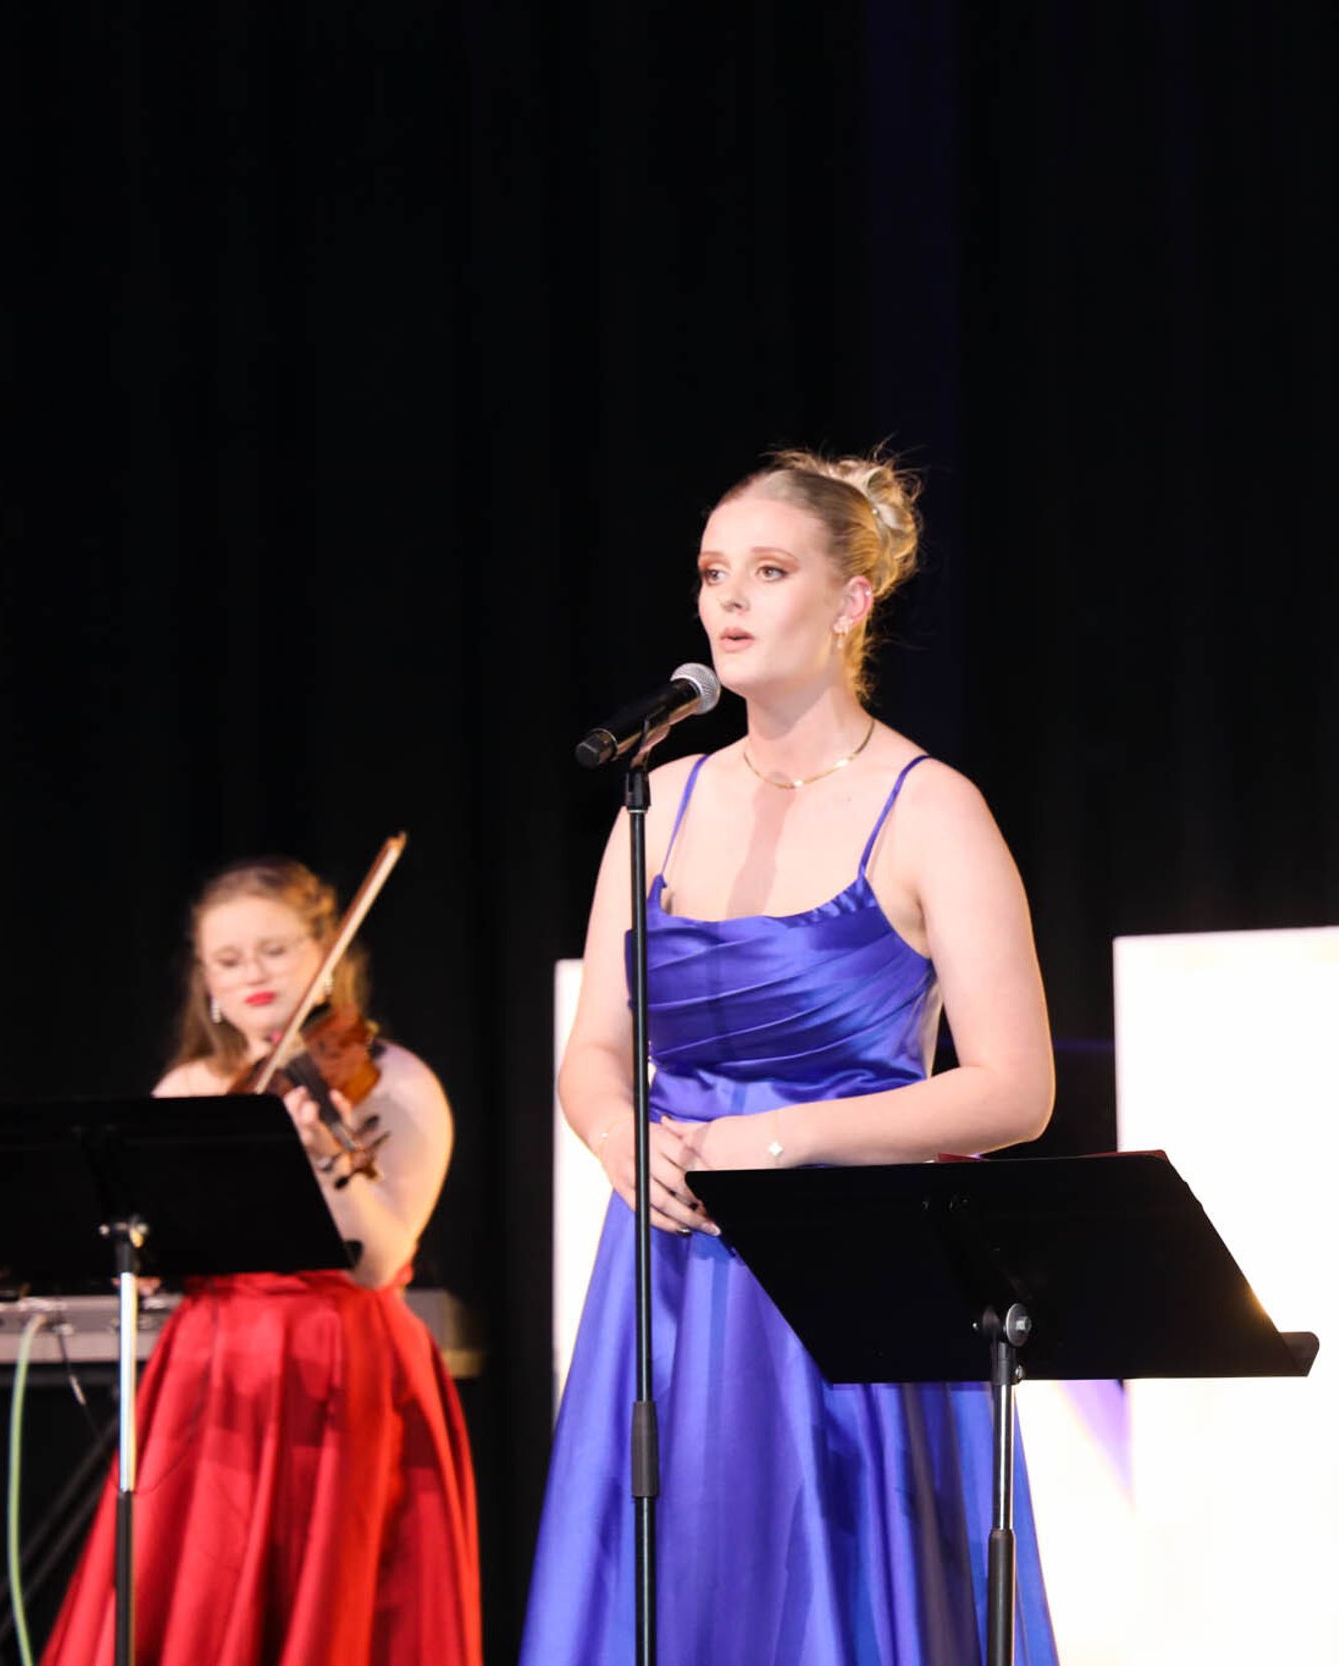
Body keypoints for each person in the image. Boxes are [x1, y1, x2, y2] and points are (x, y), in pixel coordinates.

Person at [522, 450, 1060, 1664]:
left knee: (837, 1601)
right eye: (713, 572)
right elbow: (595, 1045)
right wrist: (614, 1135)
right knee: (674, 1591)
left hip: (848, 1263)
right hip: (670, 1270)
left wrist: (780, 1139)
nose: (730, 599)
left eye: (769, 571)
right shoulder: (658, 797)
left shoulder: (931, 807)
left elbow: (1016, 1088)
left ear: (851, 599)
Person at [43, 857, 480, 1666]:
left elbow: (379, 1263)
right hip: (214, 1368)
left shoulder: (392, 1082)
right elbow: (162, 1247)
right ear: (206, 981)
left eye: (274, 951)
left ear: (326, 954)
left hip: (345, 1364)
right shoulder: (189, 1088)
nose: (253, 974)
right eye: (229, 959)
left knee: (338, 1601)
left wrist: (328, 1158)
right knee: (199, 1595)